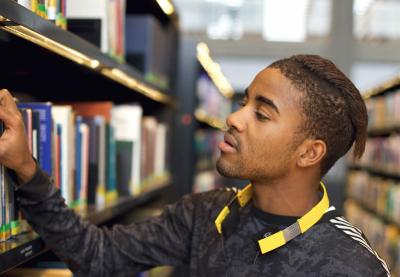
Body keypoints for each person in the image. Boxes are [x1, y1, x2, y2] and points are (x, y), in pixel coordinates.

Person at [0, 55, 390, 277]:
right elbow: (97, 255)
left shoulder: (352, 265)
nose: (235, 119)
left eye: (262, 114)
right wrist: (26, 169)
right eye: (244, 102)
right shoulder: (205, 213)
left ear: (309, 153)